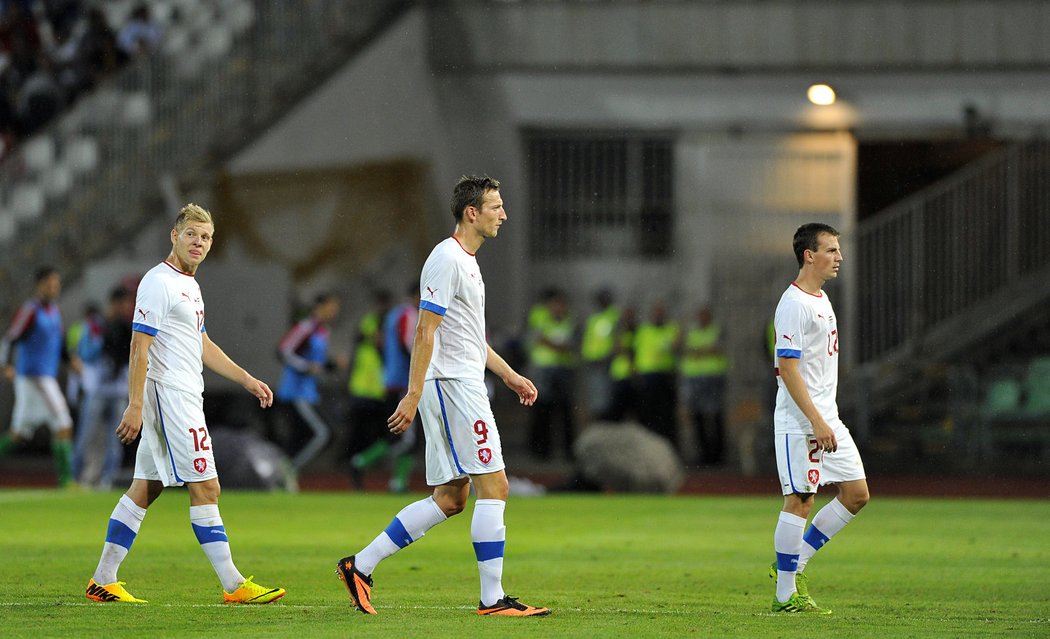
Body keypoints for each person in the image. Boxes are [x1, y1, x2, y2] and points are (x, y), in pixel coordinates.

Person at [336, 175, 550, 617]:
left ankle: (361, 565)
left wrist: (509, 375)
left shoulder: (467, 261)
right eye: (496, 206)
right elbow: (424, 329)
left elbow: (469, 336)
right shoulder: (447, 259)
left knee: (451, 498)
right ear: (472, 212)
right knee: (496, 485)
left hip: (460, 381)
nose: (503, 214)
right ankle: (492, 599)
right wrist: (412, 394)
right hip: (453, 386)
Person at [84, 203, 284, 605]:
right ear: (174, 236)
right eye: (191, 234)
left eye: (206, 237)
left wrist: (246, 379)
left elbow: (202, 344)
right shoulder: (158, 282)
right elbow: (139, 346)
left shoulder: (189, 286)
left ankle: (103, 579)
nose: (199, 242)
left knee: (146, 487)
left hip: (182, 393)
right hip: (169, 396)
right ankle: (234, 585)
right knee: (207, 487)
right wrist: (135, 404)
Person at [769, 223, 870, 614]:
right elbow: (788, 369)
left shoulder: (821, 299)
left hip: (827, 417)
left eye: (838, 250)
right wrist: (815, 421)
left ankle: (793, 566)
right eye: (830, 250)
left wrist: (826, 418)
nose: (839, 257)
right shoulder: (793, 304)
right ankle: (785, 595)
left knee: (856, 494)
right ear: (809, 255)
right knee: (800, 500)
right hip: (802, 421)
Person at [0, 266, 80, 487]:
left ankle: (67, 481)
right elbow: (10, 338)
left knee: (19, 434)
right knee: (63, 424)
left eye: (57, 283)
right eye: (51, 283)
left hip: (44, 376)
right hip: (34, 377)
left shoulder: (54, 311)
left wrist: (70, 360)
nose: (55, 287)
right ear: (40, 284)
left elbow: (60, 343)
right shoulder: (31, 310)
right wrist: (6, 364)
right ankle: (67, 482)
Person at [350, 283, 420, 493]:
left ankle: (396, 481)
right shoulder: (408, 315)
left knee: (402, 435)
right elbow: (408, 345)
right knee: (408, 438)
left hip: (393, 381)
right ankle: (362, 462)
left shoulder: (394, 316)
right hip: (402, 383)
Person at [71, 286, 135, 489]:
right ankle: (75, 477)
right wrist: (102, 342)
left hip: (117, 391)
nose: (128, 308)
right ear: (115, 303)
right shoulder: (97, 325)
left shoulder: (128, 326)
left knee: (115, 439)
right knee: (87, 436)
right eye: (125, 304)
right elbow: (85, 353)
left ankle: (107, 479)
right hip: (97, 389)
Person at [274, 292, 344, 471]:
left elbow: (317, 363)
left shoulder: (323, 331)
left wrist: (332, 364)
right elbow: (283, 351)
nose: (335, 311)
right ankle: (287, 470)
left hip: (309, 392)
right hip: (295, 391)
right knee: (320, 433)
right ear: (320, 307)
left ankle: (286, 470)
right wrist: (305, 366)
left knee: (303, 435)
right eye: (332, 307)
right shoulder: (306, 327)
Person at [344, 289, 391, 485]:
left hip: (377, 390)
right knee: (362, 434)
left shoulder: (381, 323)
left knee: (379, 435)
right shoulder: (372, 323)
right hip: (365, 390)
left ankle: (359, 465)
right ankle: (356, 468)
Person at [526, 288, 576, 459]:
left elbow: (572, 342)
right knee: (542, 411)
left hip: (562, 369)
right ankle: (540, 451)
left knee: (565, 411)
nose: (559, 307)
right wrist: (559, 347)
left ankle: (567, 451)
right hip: (543, 370)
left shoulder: (568, 319)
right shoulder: (539, 315)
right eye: (556, 303)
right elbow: (538, 338)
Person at [681, 306, 729, 466]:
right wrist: (704, 351)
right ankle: (703, 454)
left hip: (712, 378)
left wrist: (698, 352)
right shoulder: (692, 332)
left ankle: (718, 455)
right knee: (697, 417)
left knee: (715, 416)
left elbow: (717, 349)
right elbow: (686, 350)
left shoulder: (717, 330)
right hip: (694, 378)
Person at [633, 301, 680, 446]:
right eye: (656, 313)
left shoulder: (672, 329)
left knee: (667, 415)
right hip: (647, 377)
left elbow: (676, 346)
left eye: (661, 313)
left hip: (665, 376)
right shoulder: (643, 331)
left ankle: (669, 445)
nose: (658, 316)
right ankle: (649, 445)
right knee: (648, 413)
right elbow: (634, 351)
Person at [580, 288, 620, 421]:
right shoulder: (594, 318)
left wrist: (610, 356)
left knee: (606, 397)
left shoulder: (613, 316)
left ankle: (606, 421)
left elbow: (617, 339)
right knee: (595, 397)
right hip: (593, 362)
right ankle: (598, 420)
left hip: (606, 363)